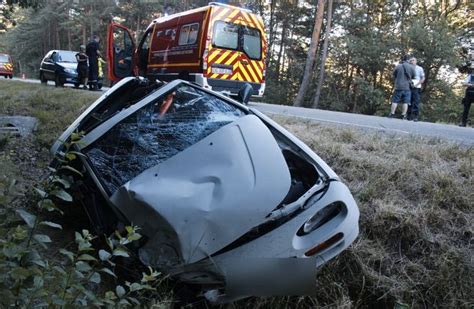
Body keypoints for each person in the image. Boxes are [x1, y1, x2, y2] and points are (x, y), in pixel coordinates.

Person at [389, 55, 415, 119]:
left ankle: (392, 113)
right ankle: (403, 115)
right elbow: (413, 76)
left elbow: (394, 75)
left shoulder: (398, 66)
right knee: (406, 102)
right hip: (407, 87)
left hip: (398, 86)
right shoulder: (411, 67)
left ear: (402, 60)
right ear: (408, 60)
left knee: (395, 101)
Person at [407, 56, 425, 121]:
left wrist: (417, 84)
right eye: (410, 60)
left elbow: (423, 78)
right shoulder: (408, 68)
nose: (412, 61)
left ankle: (415, 116)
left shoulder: (420, 68)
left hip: (417, 87)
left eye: (413, 60)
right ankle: (408, 116)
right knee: (409, 101)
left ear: (416, 61)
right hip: (409, 86)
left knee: (416, 101)